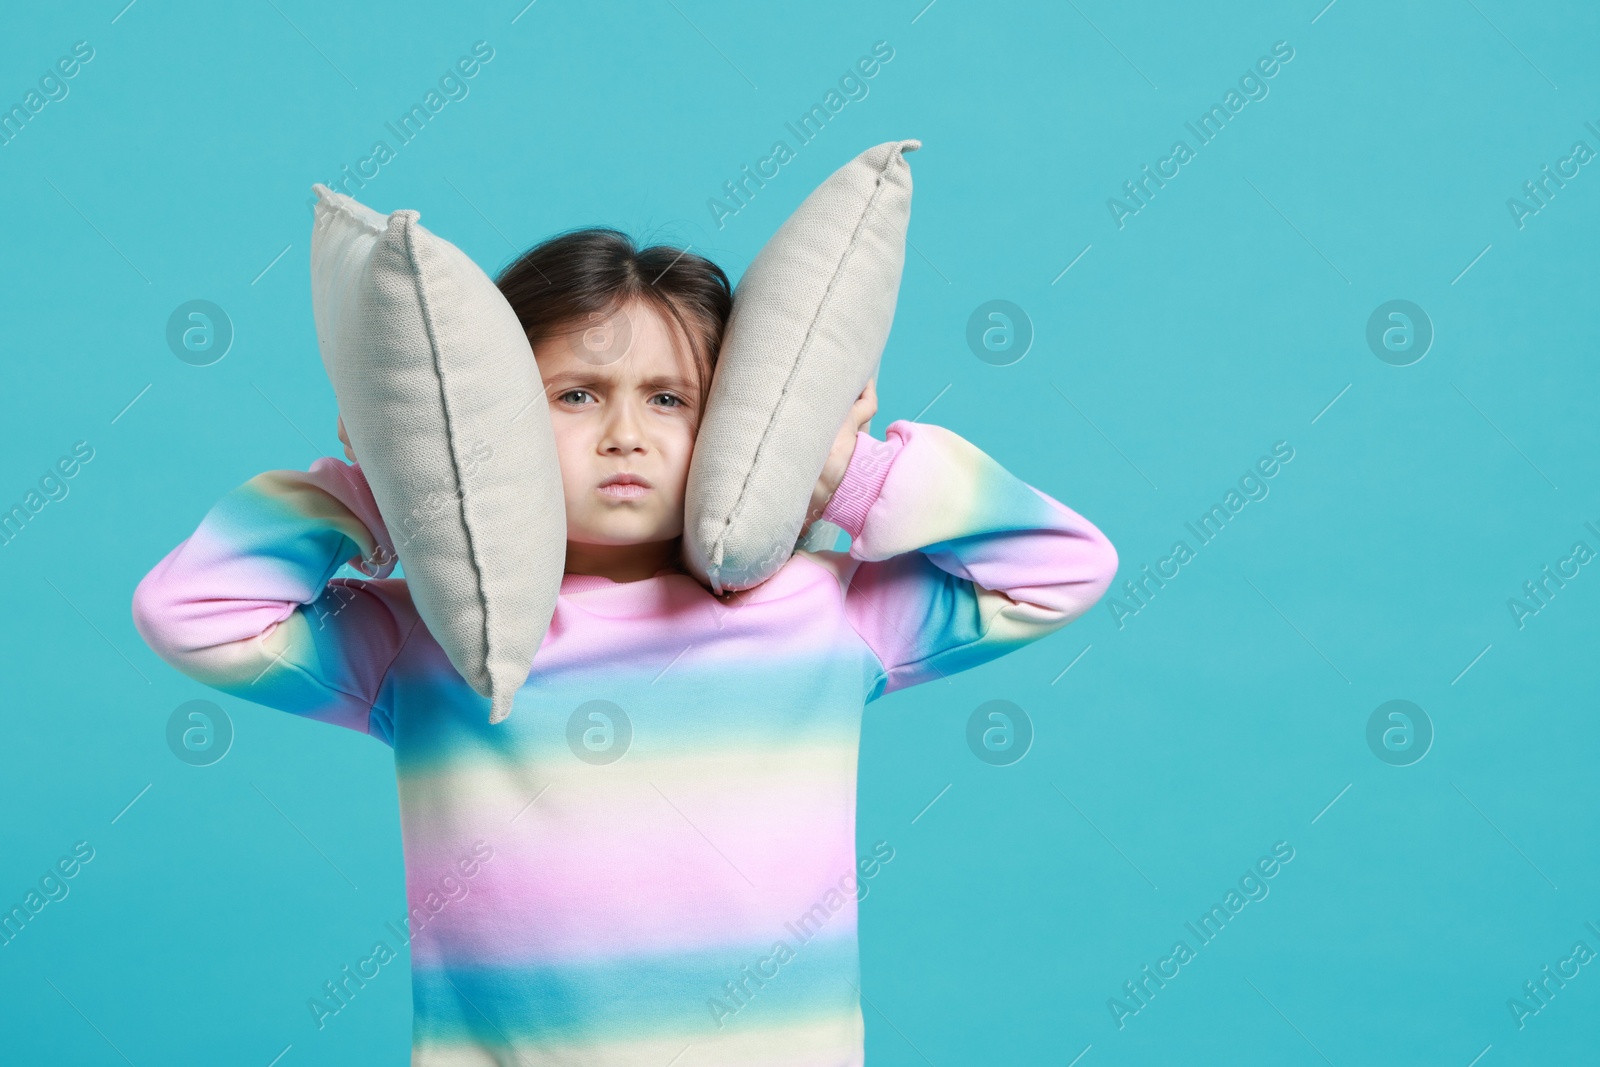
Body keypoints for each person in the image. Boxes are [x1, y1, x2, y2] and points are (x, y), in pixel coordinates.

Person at [130, 227, 1120, 1064]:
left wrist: (844, 473)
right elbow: (195, 612)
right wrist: (379, 491)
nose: (623, 434)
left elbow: (1061, 566)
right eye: (574, 395)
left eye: (668, 397)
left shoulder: (825, 609)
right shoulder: (427, 636)